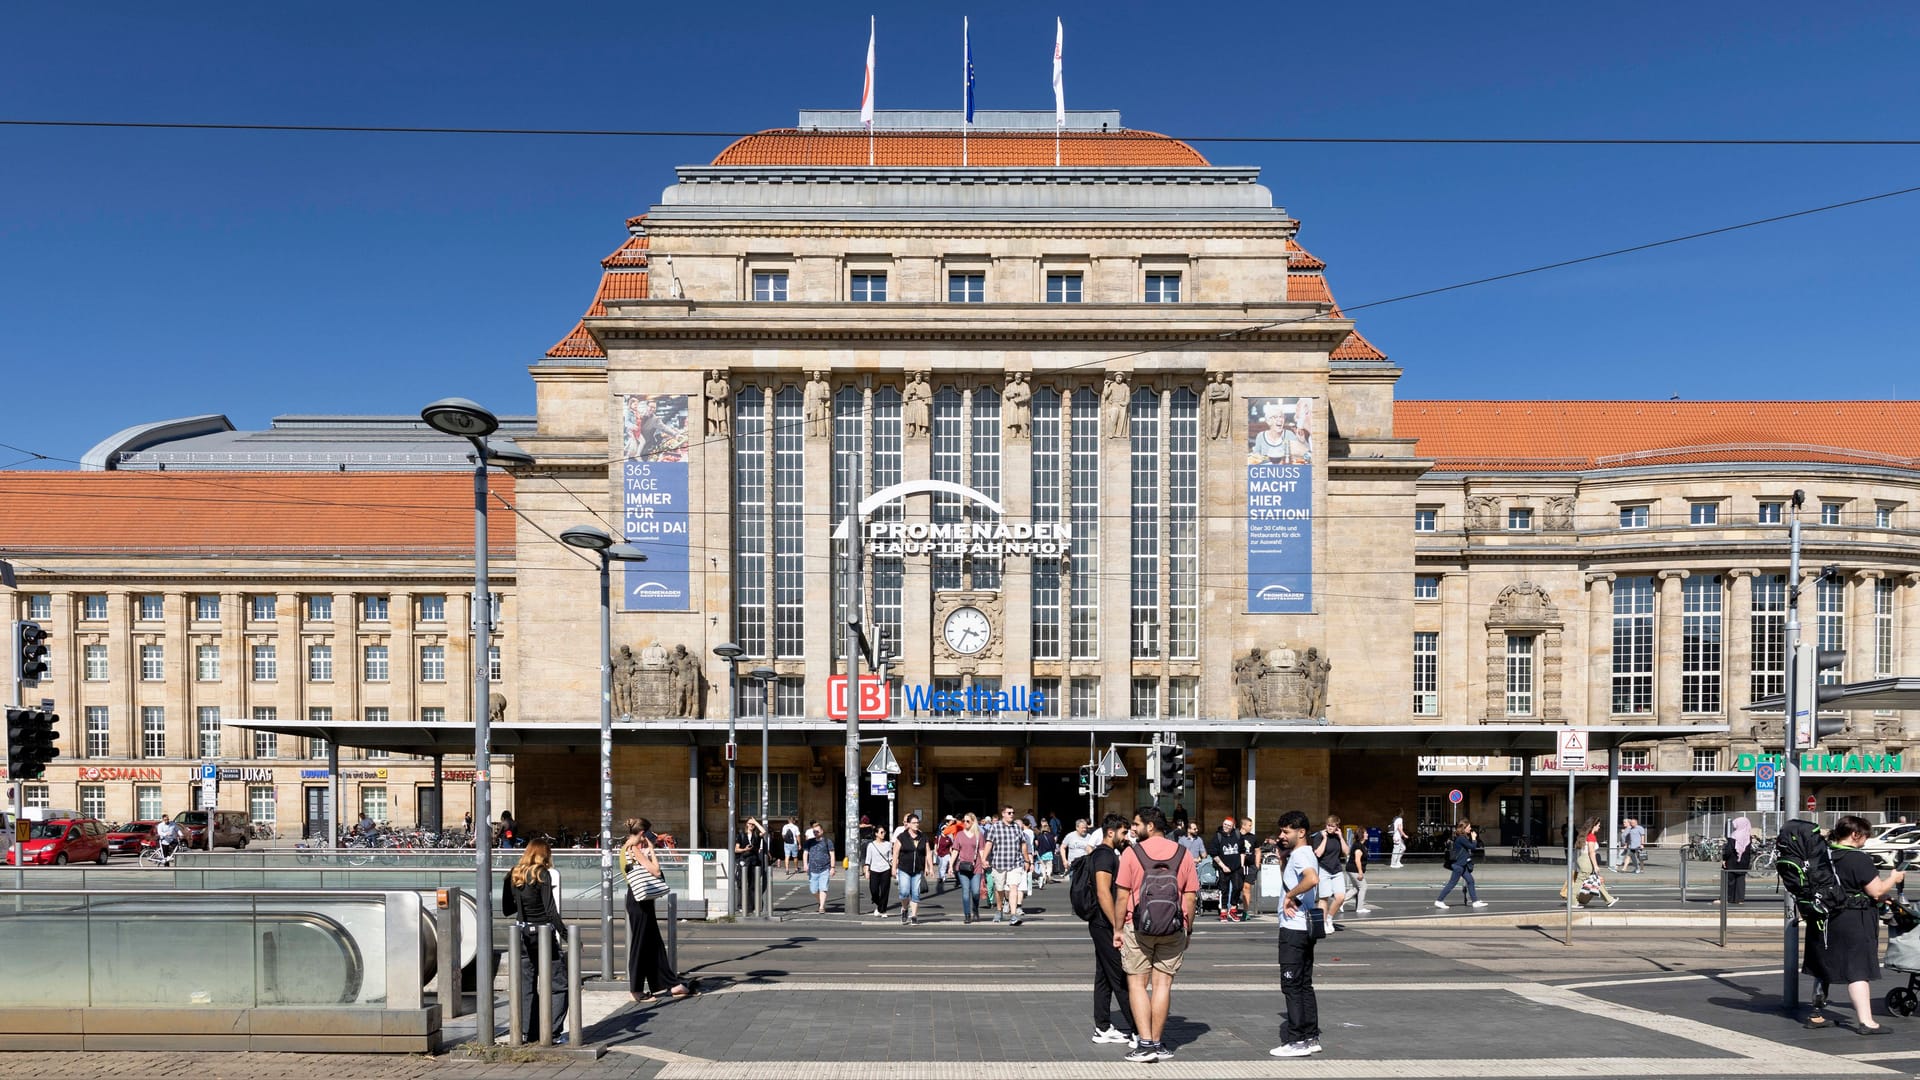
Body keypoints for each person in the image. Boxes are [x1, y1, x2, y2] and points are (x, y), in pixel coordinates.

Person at [1115, 805, 1199, 1064]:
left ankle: (1145, 1044)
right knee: (1163, 985)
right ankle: (1159, 1043)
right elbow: (1191, 897)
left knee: (1138, 985)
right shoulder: (1183, 853)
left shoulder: (1132, 853)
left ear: (1150, 826)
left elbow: (1121, 896)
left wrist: (1118, 929)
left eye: (1137, 824)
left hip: (1138, 927)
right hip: (1173, 927)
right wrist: (1188, 928)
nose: (1133, 829)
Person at [1807, 815, 1906, 1033]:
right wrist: (1894, 878)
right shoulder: (1857, 859)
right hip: (1852, 919)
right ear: (1855, 834)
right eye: (1865, 836)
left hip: (1824, 917)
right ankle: (1866, 1022)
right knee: (1858, 969)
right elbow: (1877, 891)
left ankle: (1816, 1014)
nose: (1866, 840)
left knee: (1825, 965)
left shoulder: (1823, 854)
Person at [502, 839, 569, 1042]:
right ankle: (553, 1032)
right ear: (543, 854)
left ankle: (526, 1032)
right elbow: (550, 911)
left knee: (526, 985)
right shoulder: (542, 874)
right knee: (559, 984)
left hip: (521, 936)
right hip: (543, 935)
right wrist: (567, 936)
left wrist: (524, 901)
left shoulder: (513, 873)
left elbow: (507, 909)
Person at [1270, 809, 1324, 1058]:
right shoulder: (1304, 854)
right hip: (1305, 928)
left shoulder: (1302, 854)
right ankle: (1311, 1036)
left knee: (1291, 984)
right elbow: (1298, 879)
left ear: (1301, 832)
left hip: (1294, 929)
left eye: (1286, 831)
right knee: (1304, 984)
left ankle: (1296, 1041)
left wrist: (1290, 896)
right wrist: (1283, 862)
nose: (1282, 835)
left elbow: (1311, 880)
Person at [1086, 812, 1140, 1049]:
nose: (1126, 836)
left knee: (1104, 976)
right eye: (1123, 832)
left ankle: (1103, 1027)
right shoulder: (1105, 856)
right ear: (1111, 832)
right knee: (1120, 976)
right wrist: (1116, 926)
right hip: (1104, 923)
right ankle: (1138, 1030)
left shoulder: (1109, 854)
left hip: (1101, 923)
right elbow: (1103, 892)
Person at [620, 820, 690, 1002]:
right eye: (648, 833)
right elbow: (656, 871)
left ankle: (669, 983)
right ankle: (636, 990)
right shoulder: (633, 849)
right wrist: (651, 850)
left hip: (641, 899)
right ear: (642, 833)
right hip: (639, 900)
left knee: (653, 944)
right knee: (641, 945)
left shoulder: (626, 847)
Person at [982, 805, 1033, 925]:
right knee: (999, 889)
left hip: (1015, 863)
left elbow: (1023, 845)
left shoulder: (1017, 827)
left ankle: (1013, 915)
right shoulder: (995, 827)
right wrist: (984, 858)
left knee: (1013, 887)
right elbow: (989, 843)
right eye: (1009, 813)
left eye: (1013, 812)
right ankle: (999, 910)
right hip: (999, 863)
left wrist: (1027, 861)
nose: (1011, 814)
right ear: (1003, 814)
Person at [1561, 816, 1617, 907]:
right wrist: (1595, 866)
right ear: (1593, 826)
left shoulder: (1585, 836)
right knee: (1580, 882)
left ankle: (1609, 899)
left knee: (1596, 880)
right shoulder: (1591, 836)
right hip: (1587, 861)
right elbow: (1591, 852)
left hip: (1583, 860)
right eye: (1598, 825)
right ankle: (1572, 901)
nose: (1599, 827)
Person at [1434, 819, 1488, 909]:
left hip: (1462, 865)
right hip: (1458, 865)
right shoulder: (1461, 838)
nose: (1470, 828)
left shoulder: (1462, 837)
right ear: (1464, 828)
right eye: (1469, 827)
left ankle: (1475, 901)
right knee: (1452, 884)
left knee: (1470, 881)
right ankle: (1439, 900)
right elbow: (1472, 847)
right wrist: (1474, 838)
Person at [893, 813, 933, 925]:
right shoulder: (902, 837)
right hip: (904, 869)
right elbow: (895, 853)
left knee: (915, 893)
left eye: (917, 822)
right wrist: (893, 868)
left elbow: (928, 853)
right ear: (909, 824)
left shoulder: (923, 836)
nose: (916, 824)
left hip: (917, 869)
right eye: (914, 823)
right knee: (904, 892)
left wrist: (930, 868)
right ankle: (904, 909)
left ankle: (914, 916)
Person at [1311, 815, 1348, 931]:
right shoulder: (1319, 836)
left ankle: (1329, 918)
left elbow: (1346, 852)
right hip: (1324, 869)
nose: (1330, 828)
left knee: (1340, 897)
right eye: (1328, 825)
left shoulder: (1338, 836)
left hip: (1336, 869)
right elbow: (1318, 853)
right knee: (1324, 897)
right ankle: (1323, 924)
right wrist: (1325, 838)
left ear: (1337, 826)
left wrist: (1341, 837)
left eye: (1333, 826)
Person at [1209, 816, 1247, 922]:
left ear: (1233, 826)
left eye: (1228, 825)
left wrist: (1242, 865)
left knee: (1238, 887)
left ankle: (1233, 909)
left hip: (1237, 867)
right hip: (1223, 868)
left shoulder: (1237, 835)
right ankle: (1224, 911)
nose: (1226, 826)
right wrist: (1223, 866)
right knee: (1224, 890)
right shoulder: (1218, 836)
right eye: (1225, 824)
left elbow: (1242, 851)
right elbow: (1213, 853)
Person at [952, 813, 986, 924]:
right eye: (964, 821)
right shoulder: (960, 835)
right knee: (965, 891)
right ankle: (967, 915)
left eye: (967, 821)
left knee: (976, 892)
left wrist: (984, 862)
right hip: (962, 867)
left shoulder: (979, 835)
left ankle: (975, 909)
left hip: (976, 867)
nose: (965, 823)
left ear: (973, 822)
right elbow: (955, 850)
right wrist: (950, 865)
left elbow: (981, 850)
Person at [734, 817, 766, 917]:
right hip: (744, 860)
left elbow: (764, 831)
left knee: (752, 885)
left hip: (754, 861)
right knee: (742, 884)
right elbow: (736, 849)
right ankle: (740, 906)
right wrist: (744, 849)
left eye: (753, 824)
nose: (751, 825)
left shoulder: (756, 835)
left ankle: (752, 906)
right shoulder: (741, 834)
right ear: (746, 824)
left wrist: (756, 822)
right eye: (750, 824)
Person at [802, 821, 836, 914]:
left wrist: (832, 867)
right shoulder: (809, 842)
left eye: (817, 831)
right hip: (812, 869)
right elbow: (805, 853)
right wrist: (805, 864)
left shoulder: (827, 841)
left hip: (825, 868)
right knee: (813, 890)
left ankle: (821, 907)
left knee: (823, 888)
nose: (815, 833)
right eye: (814, 831)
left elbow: (832, 854)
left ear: (822, 831)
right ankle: (820, 901)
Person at [863, 820, 895, 918]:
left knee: (885, 891)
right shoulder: (871, 845)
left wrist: (894, 867)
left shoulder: (888, 844)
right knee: (874, 891)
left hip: (885, 870)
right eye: (881, 832)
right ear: (876, 834)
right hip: (874, 870)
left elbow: (890, 858)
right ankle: (878, 905)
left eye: (884, 832)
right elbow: (868, 859)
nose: (883, 834)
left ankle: (883, 910)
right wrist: (866, 871)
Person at [1723, 815, 1755, 905]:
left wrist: (1724, 859)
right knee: (1741, 880)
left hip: (1732, 861)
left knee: (1730, 880)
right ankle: (1740, 899)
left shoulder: (1734, 836)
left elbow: (1729, 850)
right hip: (1744, 862)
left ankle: (1729, 898)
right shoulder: (1748, 837)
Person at [1346, 827, 1372, 915]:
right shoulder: (1358, 846)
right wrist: (1360, 872)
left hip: (1351, 868)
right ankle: (1360, 908)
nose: (1367, 834)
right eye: (1365, 833)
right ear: (1361, 835)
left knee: (1356, 888)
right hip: (1354, 869)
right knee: (1363, 886)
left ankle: (1340, 901)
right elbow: (1357, 860)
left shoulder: (1360, 845)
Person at [1034, 823, 1058, 889]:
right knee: (1049, 865)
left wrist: (1037, 850)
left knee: (1042, 866)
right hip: (1049, 853)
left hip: (1042, 853)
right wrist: (1054, 851)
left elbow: (1037, 845)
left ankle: (1044, 877)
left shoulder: (1039, 836)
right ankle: (1048, 875)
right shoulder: (1051, 836)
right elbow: (1054, 845)